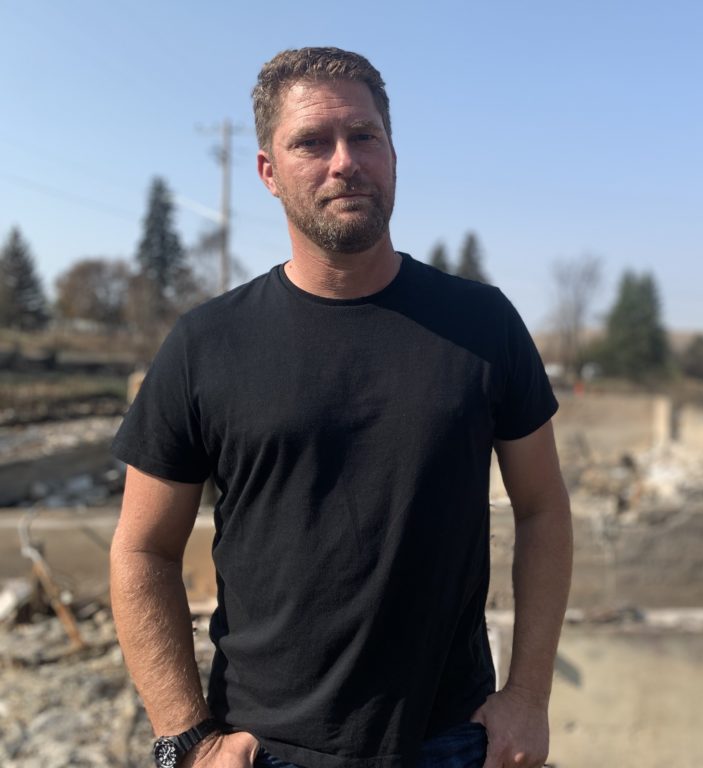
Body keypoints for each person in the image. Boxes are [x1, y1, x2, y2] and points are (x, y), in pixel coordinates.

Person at [109, 47, 573, 768]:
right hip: (266, 749)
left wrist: (530, 696)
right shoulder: (208, 344)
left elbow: (544, 508)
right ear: (268, 171)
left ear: (393, 153)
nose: (343, 161)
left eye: (364, 136)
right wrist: (184, 737)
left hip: (451, 740)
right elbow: (143, 548)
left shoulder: (483, 325)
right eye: (311, 143)